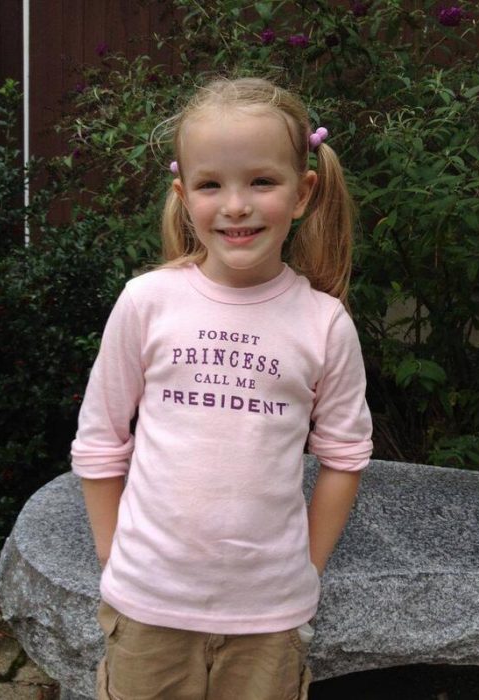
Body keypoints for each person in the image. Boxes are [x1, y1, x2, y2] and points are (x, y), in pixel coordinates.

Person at [71, 76, 373, 700]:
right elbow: (100, 441)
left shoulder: (324, 324)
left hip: (269, 621)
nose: (236, 205)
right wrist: (113, 559)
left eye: (262, 181)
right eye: (211, 185)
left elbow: (345, 458)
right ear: (184, 196)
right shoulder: (146, 302)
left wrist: (305, 570)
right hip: (147, 607)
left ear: (302, 192)